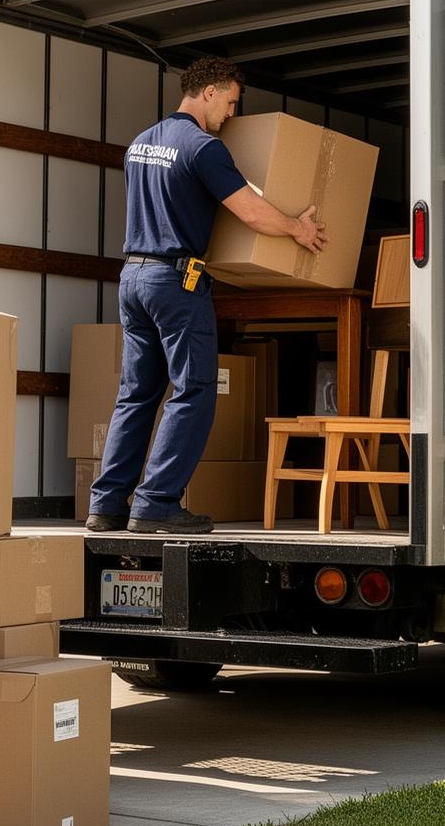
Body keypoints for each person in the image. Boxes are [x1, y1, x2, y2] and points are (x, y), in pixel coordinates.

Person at [85, 56, 328, 534]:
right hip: (176, 282)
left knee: (136, 394)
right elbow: (251, 213)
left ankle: (107, 505)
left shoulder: (140, 144)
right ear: (211, 91)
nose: (232, 115)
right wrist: (297, 229)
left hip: (133, 277)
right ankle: (156, 504)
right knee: (194, 389)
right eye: (232, 102)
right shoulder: (202, 147)